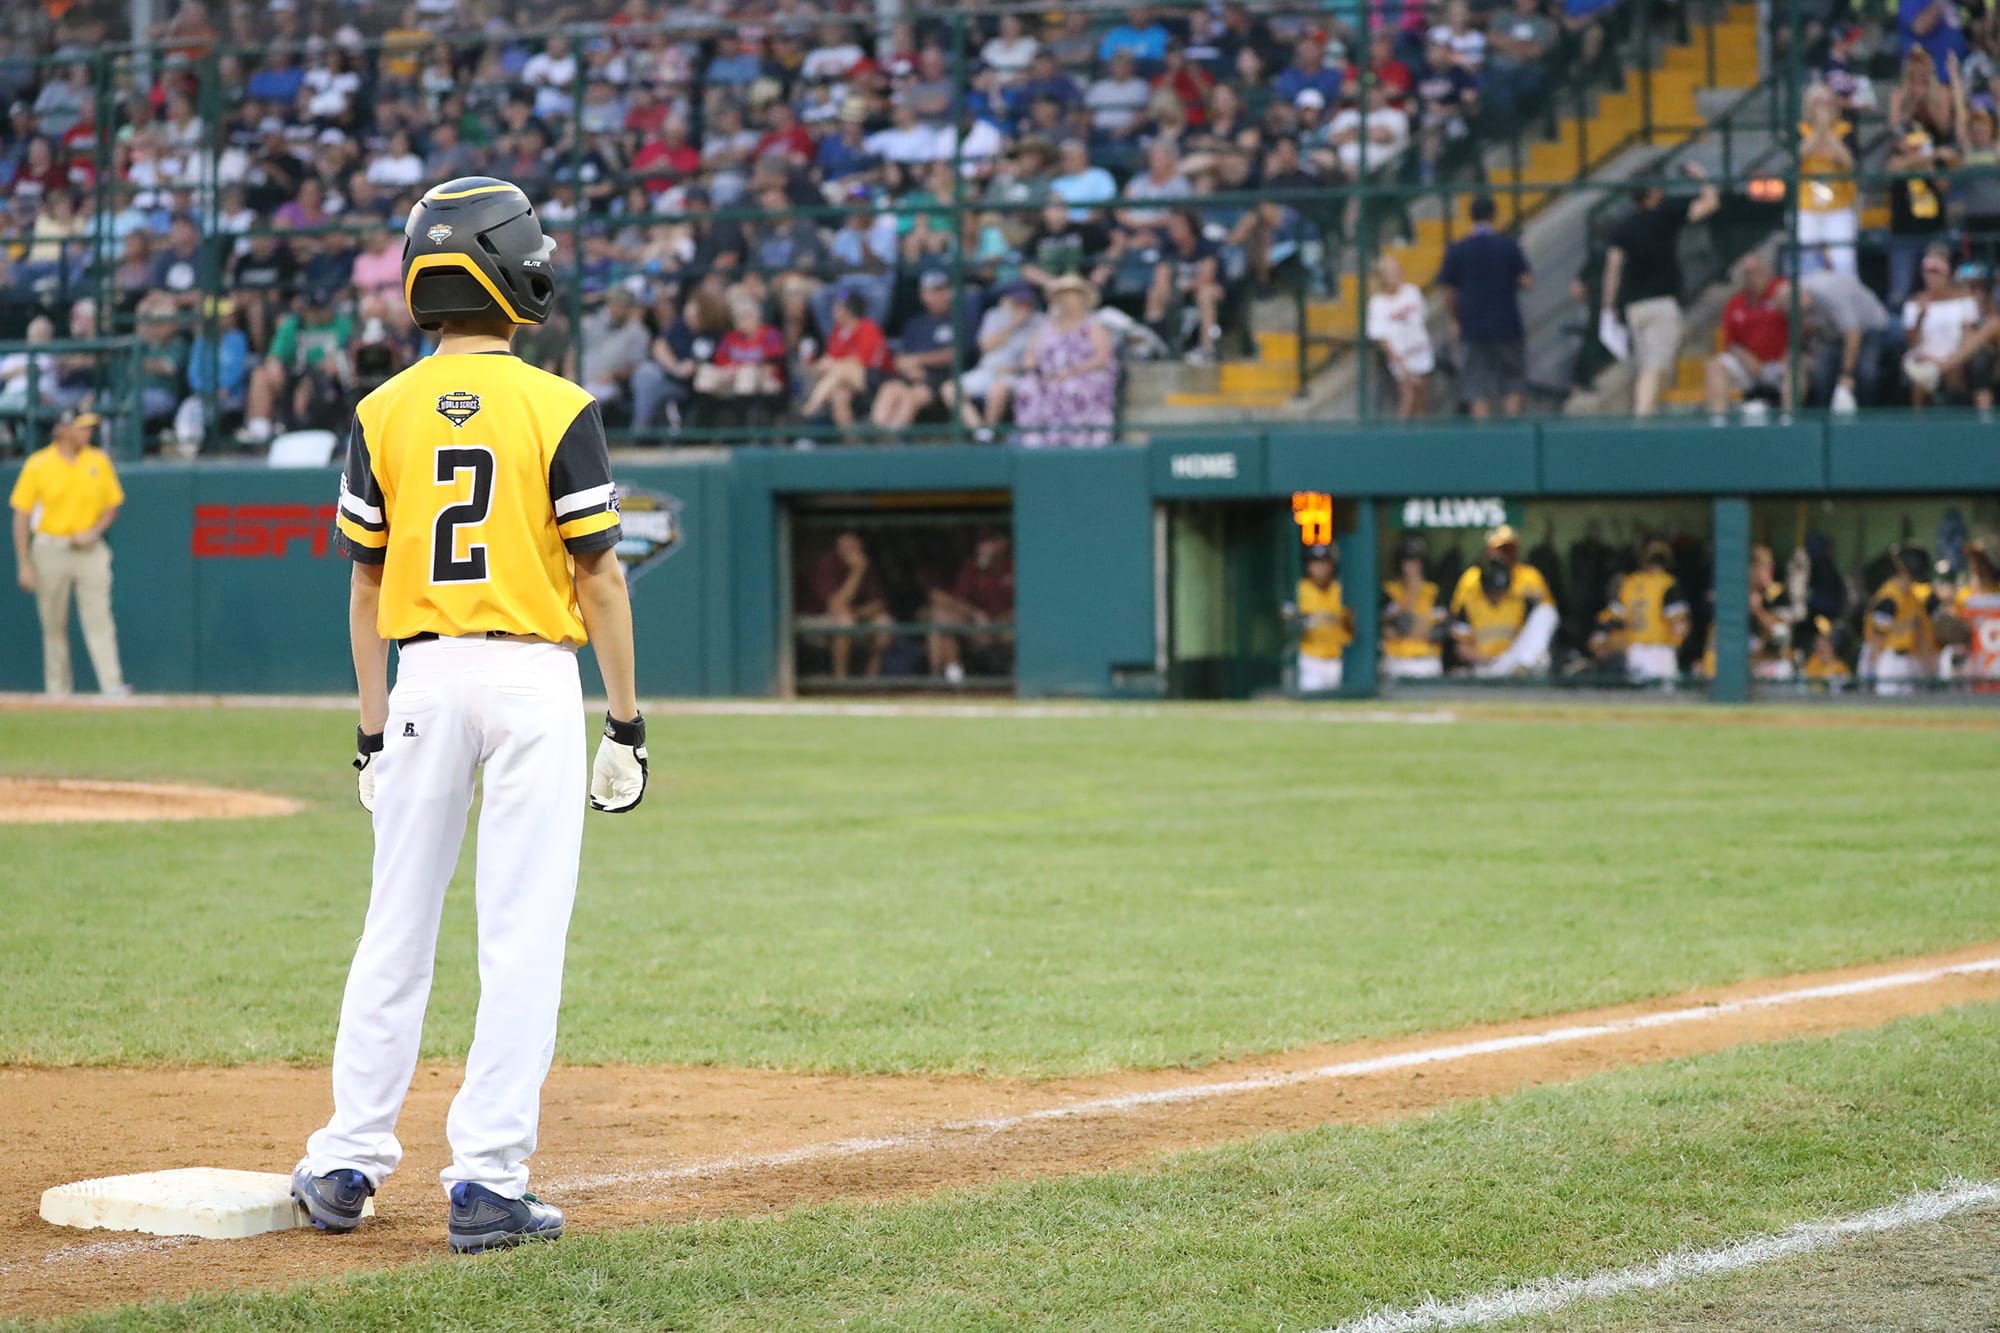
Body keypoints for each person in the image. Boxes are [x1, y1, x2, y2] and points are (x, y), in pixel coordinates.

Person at [294, 176, 648, 1258]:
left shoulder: (378, 408)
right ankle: (488, 1183)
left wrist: (367, 729)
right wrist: (625, 727)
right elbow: (599, 579)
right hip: (532, 676)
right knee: (519, 933)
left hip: (422, 674)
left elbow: (361, 587)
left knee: (394, 923)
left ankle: (344, 1160)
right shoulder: (558, 405)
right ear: (513, 269)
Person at [8, 406, 128, 697]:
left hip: (90, 549)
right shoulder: (39, 464)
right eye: (80, 427)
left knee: (99, 618)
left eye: (88, 427)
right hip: (51, 548)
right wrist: (24, 563)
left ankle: (112, 685)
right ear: (62, 430)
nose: (87, 432)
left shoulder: (97, 460)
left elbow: (112, 506)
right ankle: (57, 692)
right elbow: (21, 516)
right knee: (53, 624)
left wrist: (95, 531)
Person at [1600, 163, 1720, 415]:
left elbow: (1613, 269)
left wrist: (1608, 307)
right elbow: (1710, 203)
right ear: (1653, 192)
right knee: (1653, 369)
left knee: (1647, 367)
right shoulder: (1666, 216)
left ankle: (1647, 413)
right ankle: (1642, 421)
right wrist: (1702, 177)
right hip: (1661, 305)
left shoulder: (1623, 226)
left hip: (1634, 307)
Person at [1438, 195, 1533, 418]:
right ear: (1494, 215)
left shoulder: (1458, 249)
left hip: (1472, 324)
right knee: (1512, 378)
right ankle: (1512, 427)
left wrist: (1456, 318)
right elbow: (1527, 280)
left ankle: (1483, 432)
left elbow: (1448, 291)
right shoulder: (1508, 246)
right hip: (1506, 321)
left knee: (1475, 381)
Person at [1012, 275, 1119, 447]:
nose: (1067, 300)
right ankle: (1034, 445)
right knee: (1026, 388)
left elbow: (1102, 358)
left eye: (1072, 295)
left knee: (1070, 388)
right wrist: (1033, 365)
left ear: (1082, 298)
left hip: (1084, 375)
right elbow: (1030, 354)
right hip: (1049, 377)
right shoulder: (1047, 327)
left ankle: (1079, 445)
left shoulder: (1094, 326)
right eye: (1063, 295)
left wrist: (1070, 371)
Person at [1449, 524, 1556, 674]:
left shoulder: (1530, 576)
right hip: (1484, 659)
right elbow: (1457, 618)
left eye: (1509, 549)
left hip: (1515, 653)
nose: (1504, 554)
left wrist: (1521, 600)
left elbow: (1543, 618)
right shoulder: (1471, 578)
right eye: (1500, 548)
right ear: (1489, 550)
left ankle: (1525, 665)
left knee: (1547, 613)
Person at [1704, 253, 1792, 420]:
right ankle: (1717, 422)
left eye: (1756, 271)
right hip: (1751, 366)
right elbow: (1730, 342)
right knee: (1715, 366)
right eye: (1747, 273)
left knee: (1795, 365)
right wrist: (1745, 357)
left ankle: (1789, 420)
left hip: (1780, 362)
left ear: (1766, 272)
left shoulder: (1780, 292)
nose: (1753, 277)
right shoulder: (1735, 303)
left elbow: (1798, 322)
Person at [803, 530, 895, 679]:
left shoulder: (866, 564)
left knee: (885, 622)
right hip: (815, 619)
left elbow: (879, 604)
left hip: (854, 616)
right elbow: (837, 606)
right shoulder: (827, 563)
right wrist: (857, 572)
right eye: (847, 545)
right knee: (845, 622)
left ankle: (871, 680)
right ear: (838, 544)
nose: (852, 549)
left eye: (855, 544)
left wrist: (857, 612)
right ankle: (841, 680)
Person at [1594, 540, 1689, 683]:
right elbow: (1679, 626)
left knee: (1640, 700)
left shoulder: (1629, 583)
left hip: (1635, 652)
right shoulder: (1668, 584)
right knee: (1666, 701)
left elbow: (1608, 619)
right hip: (1661, 652)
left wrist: (1602, 641)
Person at [928, 530, 1015, 684]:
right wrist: (976, 614)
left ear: (1003, 543)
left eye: (988, 542)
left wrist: (998, 622)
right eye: (981, 542)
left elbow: (1029, 607)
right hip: (978, 627)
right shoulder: (973, 566)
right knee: (941, 618)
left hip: (1008, 627)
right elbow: (960, 601)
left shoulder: (1014, 565)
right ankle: (949, 679)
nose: (982, 546)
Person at [1800, 267, 1893, 408]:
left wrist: (1846, 374)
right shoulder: (1794, 294)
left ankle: (1866, 417)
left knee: (1866, 374)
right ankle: (1825, 420)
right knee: (1822, 374)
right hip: (1836, 335)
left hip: (1870, 327)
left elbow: (1853, 333)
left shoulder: (1828, 294)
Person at [1901, 245, 1982, 406]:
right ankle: (1919, 426)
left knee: (1957, 375)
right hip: (1925, 360)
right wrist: (1920, 318)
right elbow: (1912, 343)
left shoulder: (1965, 300)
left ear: (1947, 274)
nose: (1930, 277)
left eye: (1935, 272)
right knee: (1920, 381)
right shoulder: (1914, 303)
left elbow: (1969, 336)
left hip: (1956, 359)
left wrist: (1950, 360)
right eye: (1927, 272)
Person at [1796, 85, 1860, 277]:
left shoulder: (1845, 130)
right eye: (1819, 103)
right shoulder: (1801, 130)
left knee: (1843, 261)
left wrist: (1828, 133)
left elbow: (1848, 161)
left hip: (1839, 206)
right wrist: (1818, 131)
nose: (1824, 108)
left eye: (1828, 103)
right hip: (1806, 206)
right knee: (1805, 261)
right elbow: (1795, 157)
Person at [1862, 543, 1939, 694]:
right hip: (1889, 660)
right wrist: (1873, 670)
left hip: (1910, 661)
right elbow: (1877, 639)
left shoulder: (1912, 598)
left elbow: (1919, 634)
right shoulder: (1889, 598)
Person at [1366, 254, 1434, 417]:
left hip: (1420, 351)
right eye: (1390, 273)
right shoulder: (1377, 303)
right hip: (1401, 357)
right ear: (1382, 277)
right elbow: (1381, 337)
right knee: (1408, 396)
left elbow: (1421, 320)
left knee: (1422, 398)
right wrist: (1401, 363)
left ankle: (1422, 438)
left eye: (1396, 271)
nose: (1396, 276)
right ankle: (1399, 438)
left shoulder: (1412, 292)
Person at [1289, 543, 1352, 692]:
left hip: (1338, 660)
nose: (1321, 568)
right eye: (1316, 563)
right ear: (1309, 566)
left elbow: (1352, 623)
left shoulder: (1341, 589)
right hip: (1311, 660)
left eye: (1325, 562)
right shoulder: (1300, 589)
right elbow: (1290, 619)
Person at [1381, 536, 1444, 678]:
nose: (1413, 567)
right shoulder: (1389, 591)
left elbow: (1439, 633)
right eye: (1408, 561)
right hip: (1397, 662)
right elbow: (1400, 625)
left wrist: (1405, 630)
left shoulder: (1433, 592)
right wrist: (1413, 592)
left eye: (1417, 561)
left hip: (1428, 661)